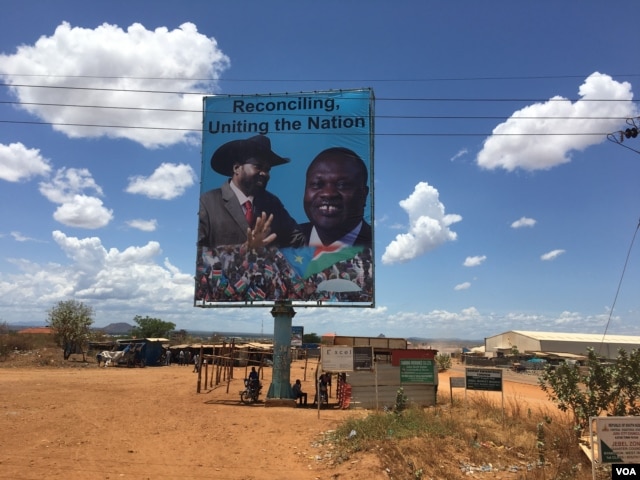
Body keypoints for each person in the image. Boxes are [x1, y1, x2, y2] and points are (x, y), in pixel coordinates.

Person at [198, 135, 305, 250]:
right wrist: (243, 250)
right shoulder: (207, 203)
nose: (264, 173)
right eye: (258, 167)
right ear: (237, 168)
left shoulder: (272, 203)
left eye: (267, 170)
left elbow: (297, 240)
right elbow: (197, 251)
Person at [300, 147, 371, 248]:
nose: (328, 193)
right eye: (317, 184)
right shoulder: (281, 241)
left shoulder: (379, 246)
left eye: (342, 185)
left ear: (364, 195)